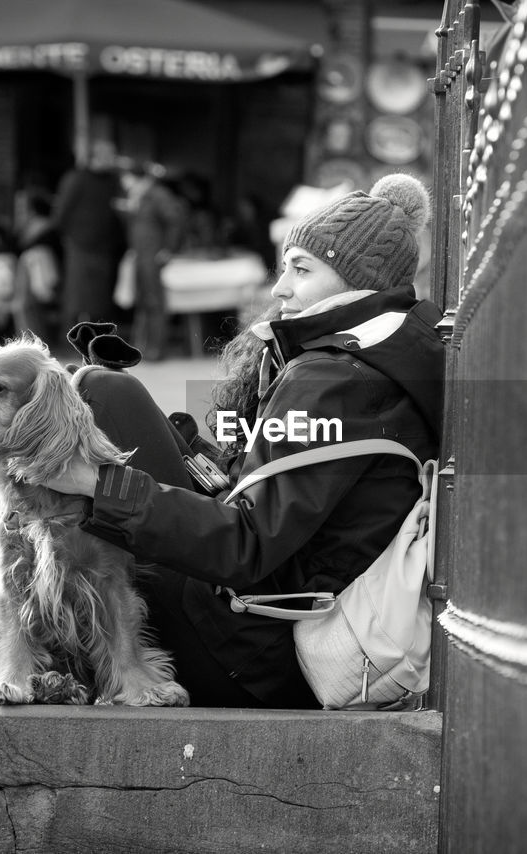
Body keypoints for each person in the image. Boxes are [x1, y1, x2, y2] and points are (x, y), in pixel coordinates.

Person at [43, 174, 444, 708]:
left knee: (101, 391)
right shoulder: (388, 352)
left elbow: (245, 545)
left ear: (359, 283)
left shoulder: (334, 381)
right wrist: (196, 454)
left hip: (247, 650)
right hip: (273, 632)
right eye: (284, 269)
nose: (280, 290)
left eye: (301, 270)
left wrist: (100, 483)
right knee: (111, 399)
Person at [52, 139, 128, 337]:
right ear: (97, 156)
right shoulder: (76, 178)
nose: (112, 160)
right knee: (76, 297)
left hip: (104, 246)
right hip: (79, 245)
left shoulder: (113, 180)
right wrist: (67, 237)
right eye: (109, 155)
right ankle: (68, 338)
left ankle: (98, 339)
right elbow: (61, 212)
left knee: (100, 299)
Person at [123, 162, 189, 361]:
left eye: (126, 178)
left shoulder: (157, 195)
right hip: (142, 255)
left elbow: (175, 220)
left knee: (154, 303)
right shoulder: (139, 197)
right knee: (144, 302)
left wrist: (168, 249)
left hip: (153, 256)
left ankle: (156, 350)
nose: (124, 183)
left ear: (138, 178)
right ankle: (143, 347)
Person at [11, 192, 63, 349]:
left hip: (39, 280)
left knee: (23, 305)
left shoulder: (42, 229)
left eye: (21, 208)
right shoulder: (29, 229)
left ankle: (31, 345)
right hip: (33, 281)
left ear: (32, 210)